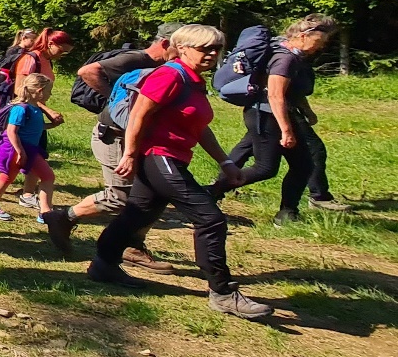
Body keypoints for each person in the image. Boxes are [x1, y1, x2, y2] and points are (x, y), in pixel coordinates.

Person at [89, 25, 271, 319]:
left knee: (138, 214)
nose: (212, 54)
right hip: (156, 156)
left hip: (173, 157)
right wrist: (132, 154)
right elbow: (139, 114)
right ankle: (223, 293)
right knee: (210, 219)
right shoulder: (170, 74)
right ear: (182, 47)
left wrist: (225, 162)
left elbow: (197, 125)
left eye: (216, 48)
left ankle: (103, 264)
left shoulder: (193, 80)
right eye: (204, 48)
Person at [42, 24, 182, 269]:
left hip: (137, 138)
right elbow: (87, 71)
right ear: (165, 44)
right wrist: (114, 99)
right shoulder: (137, 58)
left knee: (151, 195)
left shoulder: (165, 67)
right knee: (120, 197)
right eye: (180, 47)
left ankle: (132, 246)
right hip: (113, 137)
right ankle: (63, 217)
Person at [212, 14, 345, 223]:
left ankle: (287, 214)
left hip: (269, 114)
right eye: (319, 41)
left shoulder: (290, 53)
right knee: (265, 168)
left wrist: (307, 111)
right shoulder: (285, 58)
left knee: (303, 165)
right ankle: (208, 192)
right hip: (265, 115)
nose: (320, 47)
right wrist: (286, 130)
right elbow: (275, 94)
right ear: (303, 36)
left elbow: (291, 91)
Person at [0, 73, 63, 223]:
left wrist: (52, 125)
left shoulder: (35, 108)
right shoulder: (20, 109)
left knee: (48, 176)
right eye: (49, 90)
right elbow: (11, 131)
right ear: (40, 91)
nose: (51, 94)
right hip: (14, 149)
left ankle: (45, 212)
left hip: (31, 149)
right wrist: (19, 151)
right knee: (7, 176)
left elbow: (36, 127)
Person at [9, 29, 74, 210]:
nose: (62, 55)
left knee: (38, 152)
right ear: (50, 44)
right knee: (14, 156)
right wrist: (48, 110)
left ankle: (27, 193)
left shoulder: (47, 61)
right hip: (26, 114)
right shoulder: (30, 59)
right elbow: (19, 89)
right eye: (61, 50)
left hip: (36, 113)